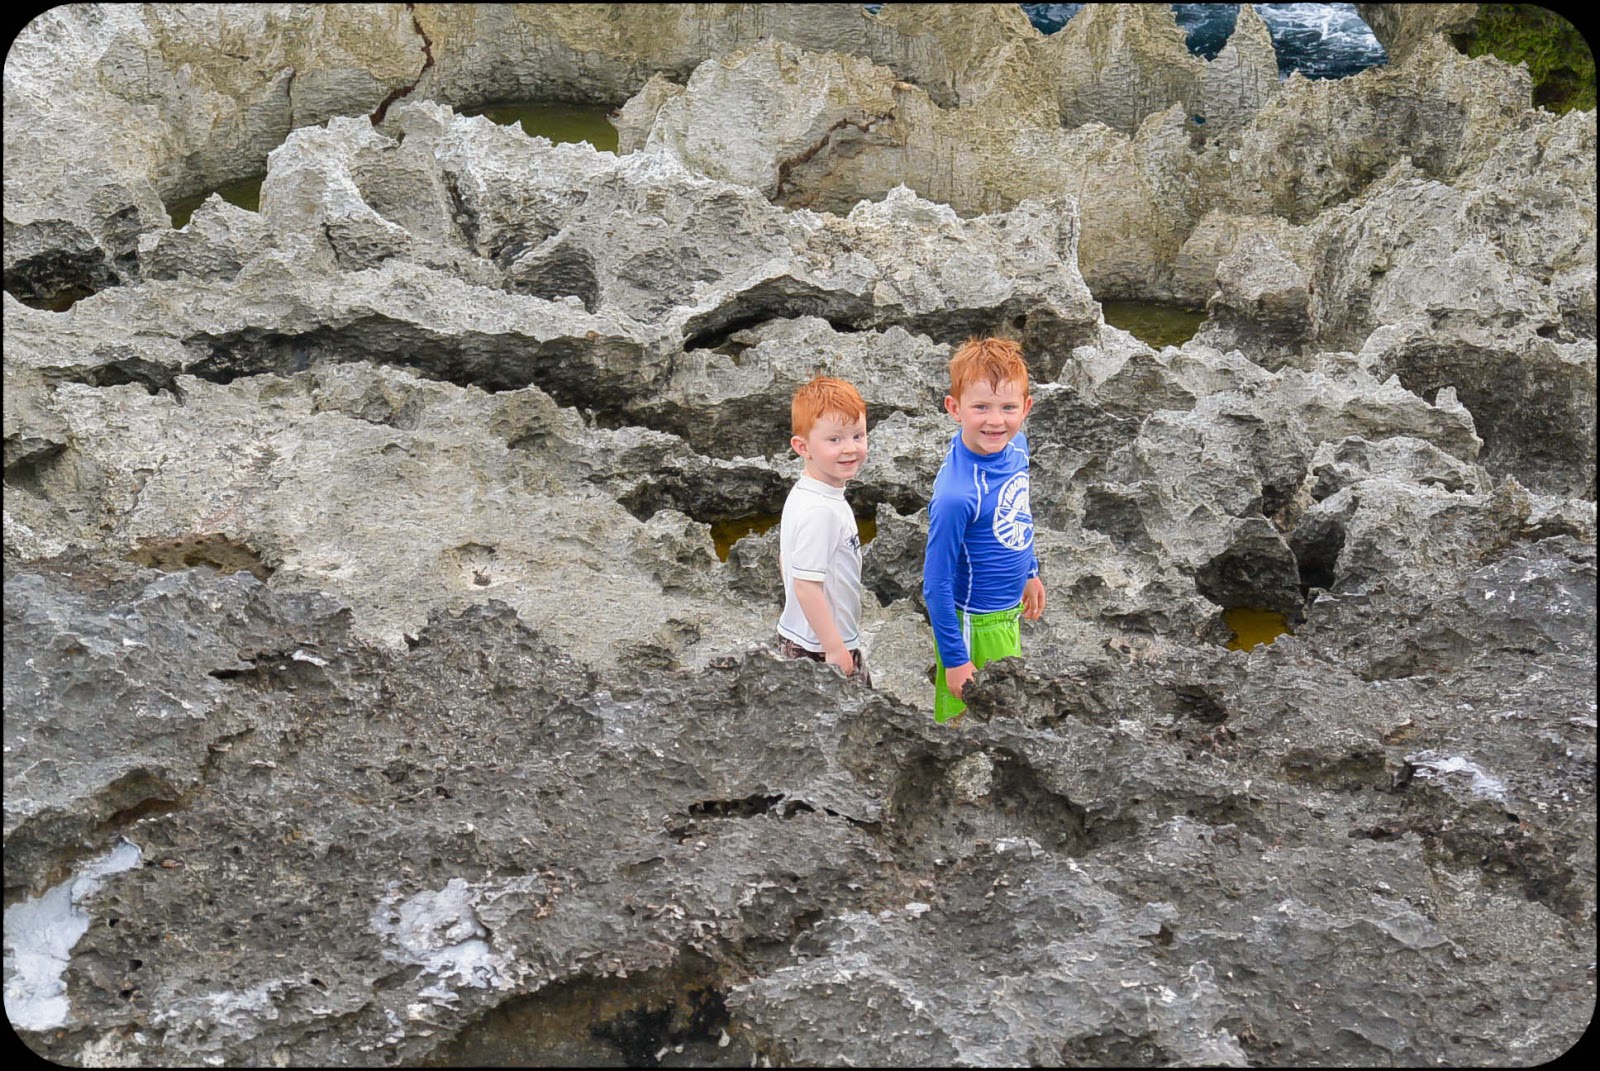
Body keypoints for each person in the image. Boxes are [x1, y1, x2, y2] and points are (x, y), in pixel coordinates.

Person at [922, 336, 1046, 723]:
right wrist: (955, 660)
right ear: (954, 408)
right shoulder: (956, 495)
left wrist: (1030, 571)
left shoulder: (1017, 446)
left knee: (1008, 719)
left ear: (1026, 407)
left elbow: (1018, 510)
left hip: (1008, 611)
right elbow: (935, 583)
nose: (995, 421)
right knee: (972, 724)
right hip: (974, 625)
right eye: (981, 407)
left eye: (1008, 407)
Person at [775, 375, 873, 684]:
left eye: (858, 435)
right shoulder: (821, 511)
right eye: (835, 440)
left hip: (806, 634)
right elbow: (806, 585)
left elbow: (786, 560)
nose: (850, 448)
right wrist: (834, 647)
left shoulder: (807, 492)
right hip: (819, 648)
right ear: (802, 447)